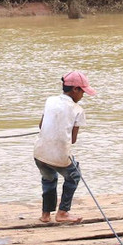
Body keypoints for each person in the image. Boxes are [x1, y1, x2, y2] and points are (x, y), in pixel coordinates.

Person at [33, 71, 96, 224]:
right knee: (74, 175)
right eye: (82, 92)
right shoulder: (78, 110)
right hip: (59, 156)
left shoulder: (50, 101)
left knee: (49, 179)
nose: (82, 96)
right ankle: (63, 212)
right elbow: (73, 140)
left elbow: (41, 126)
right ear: (75, 89)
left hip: (39, 153)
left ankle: (45, 215)